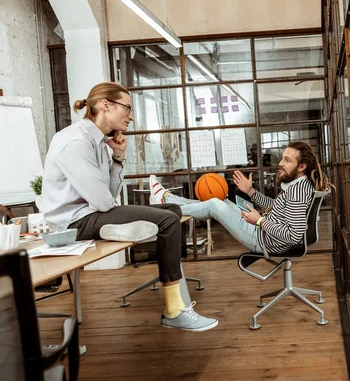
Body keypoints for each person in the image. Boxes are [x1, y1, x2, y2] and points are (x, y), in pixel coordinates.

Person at [38, 82, 217, 332]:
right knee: (167, 222)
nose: (131, 116)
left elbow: (107, 196)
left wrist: (118, 157)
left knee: (173, 212)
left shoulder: (100, 142)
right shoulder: (76, 141)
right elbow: (103, 202)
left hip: (93, 214)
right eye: (128, 108)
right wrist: (113, 206)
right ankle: (175, 310)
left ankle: (120, 229)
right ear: (105, 105)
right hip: (74, 223)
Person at [148, 141, 329, 256]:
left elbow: (293, 235)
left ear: (302, 166)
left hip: (263, 239)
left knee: (214, 204)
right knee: (221, 201)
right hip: (264, 233)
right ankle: (167, 198)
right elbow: (276, 207)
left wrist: (259, 222)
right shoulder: (299, 186)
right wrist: (251, 192)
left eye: (287, 160)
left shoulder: (298, 191)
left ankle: (165, 206)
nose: (280, 163)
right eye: (282, 158)